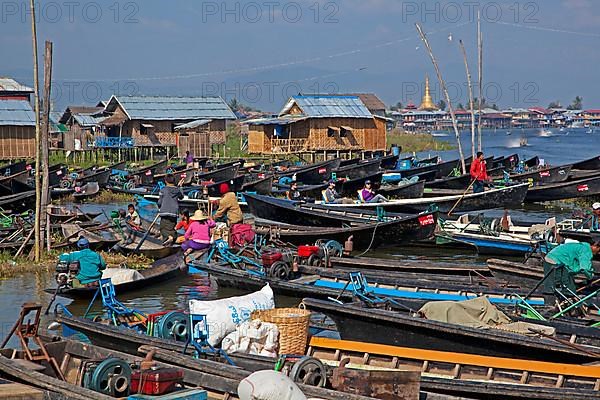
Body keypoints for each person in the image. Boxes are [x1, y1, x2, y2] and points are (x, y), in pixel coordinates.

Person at [158, 174, 184, 245]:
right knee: (171, 227)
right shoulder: (177, 190)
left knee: (162, 228)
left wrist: (159, 207)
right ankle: (170, 241)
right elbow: (181, 196)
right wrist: (180, 187)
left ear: (165, 181)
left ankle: (169, 237)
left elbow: (159, 202)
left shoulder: (163, 190)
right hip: (174, 212)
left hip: (164, 211)